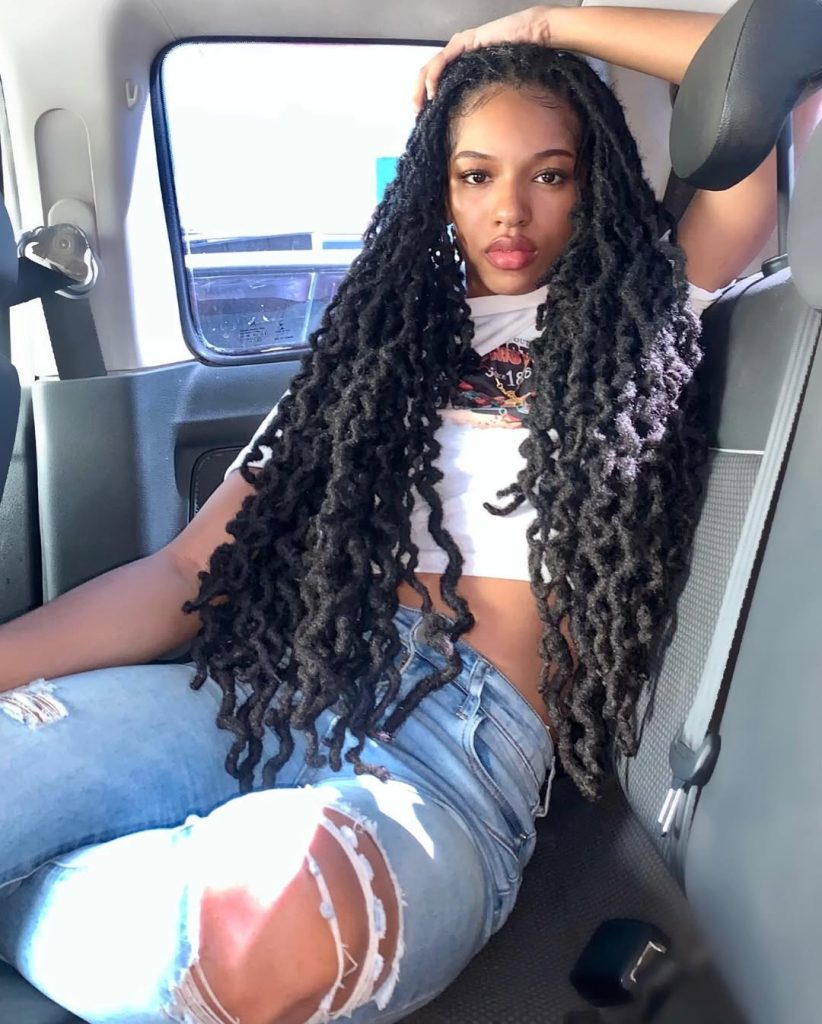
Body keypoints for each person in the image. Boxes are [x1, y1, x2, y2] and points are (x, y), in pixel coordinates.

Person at [0, 7, 819, 1024]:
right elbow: (183, 575)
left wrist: (544, 22)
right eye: (476, 175)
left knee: (262, 941)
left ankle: (147, 889)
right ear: (438, 186)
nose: (509, 209)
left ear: (594, 182)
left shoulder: (643, 307)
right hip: (269, 691)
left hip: (455, 750)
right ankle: (160, 881)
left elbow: (770, 73)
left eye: (549, 173)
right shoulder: (368, 352)